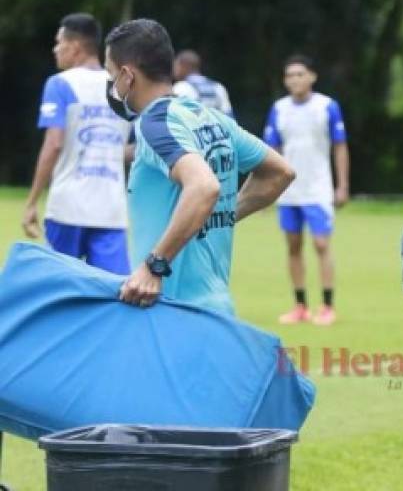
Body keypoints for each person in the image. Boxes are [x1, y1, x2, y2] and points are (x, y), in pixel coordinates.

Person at [104, 18, 294, 314]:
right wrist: (223, 214)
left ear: (127, 76)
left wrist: (154, 266)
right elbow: (280, 172)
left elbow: (204, 186)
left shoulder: (155, 124)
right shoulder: (210, 117)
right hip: (217, 308)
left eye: (111, 75)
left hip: (173, 309)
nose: (111, 86)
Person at [23, 12, 131, 274]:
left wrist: (32, 200)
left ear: (75, 46)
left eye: (59, 42)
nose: (55, 48)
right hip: (111, 209)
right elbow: (133, 147)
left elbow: (54, 143)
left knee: (59, 287)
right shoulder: (122, 87)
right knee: (113, 291)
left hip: (67, 207)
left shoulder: (60, 84)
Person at [263, 54, 350, 326]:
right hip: (289, 191)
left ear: (312, 76)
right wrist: (267, 189)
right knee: (293, 246)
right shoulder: (279, 109)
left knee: (321, 244)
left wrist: (342, 184)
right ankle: (300, 306)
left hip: (318, 188)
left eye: (300, 74)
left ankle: (327, 306)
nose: (295, 80)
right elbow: (271, 151)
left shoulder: (327, 107)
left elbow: (339, 146)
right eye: (289, 75)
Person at [172, 49, 234, 117]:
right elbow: (229, 116)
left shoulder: (181, 87)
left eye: (176, 65)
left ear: (184, 66)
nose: (174, 70)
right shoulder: (218, 87)